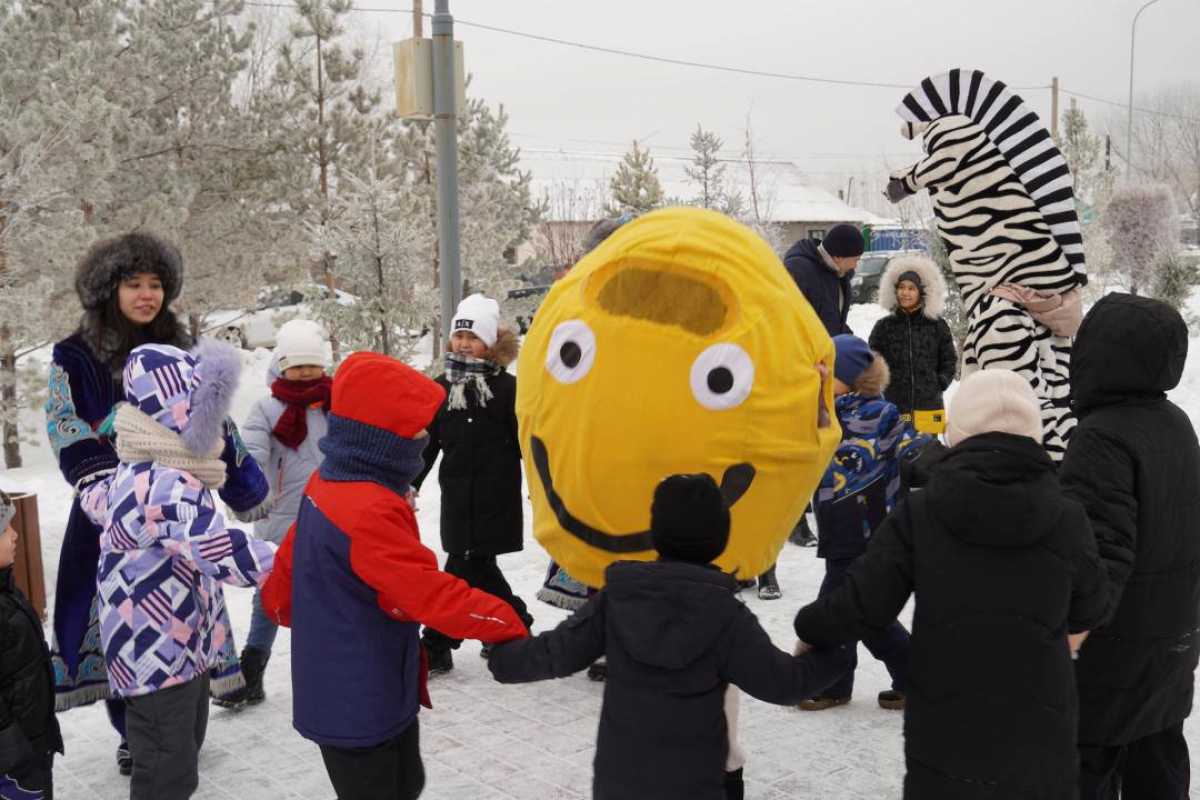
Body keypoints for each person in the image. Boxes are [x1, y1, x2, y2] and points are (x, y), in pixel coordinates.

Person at [794, 369, 1109, 798]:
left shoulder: (921, 512)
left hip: (947, 736)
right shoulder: (1067, 514)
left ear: (957, 431)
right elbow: (1092, 605)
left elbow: (863, 602)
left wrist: (810, 630)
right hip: (1040, 731)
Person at [43, 233, 270, 776]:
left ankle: (178, 724)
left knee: (183, 615)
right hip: (110, 512)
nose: (147, 295)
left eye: (156, 284)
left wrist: (241, 482)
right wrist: (103, 490)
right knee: (121, 622)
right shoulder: (75, 353)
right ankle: (136, 732)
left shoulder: (182, 347)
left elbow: (213, 416)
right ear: (108, 289)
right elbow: (64, 423)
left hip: (183, 506)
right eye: (133, 283)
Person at [260, 352, 529, 800]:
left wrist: (282, 605)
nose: (427, 437)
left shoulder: (330, 482)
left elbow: (287, 570)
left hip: (351, 684)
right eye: (416, 430)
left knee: (407, 783)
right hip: (359, 700)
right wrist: (504, 621)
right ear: (381, 440)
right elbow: (425, 592)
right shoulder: (368, 508)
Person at [488, 473, 849, 800]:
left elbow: (557, 653)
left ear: (656, 532)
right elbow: (782, 683)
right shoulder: (724, 614)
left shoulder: (619, 597)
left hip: (621, 785)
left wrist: (504, 656)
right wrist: (835, 656)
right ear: (720, 537)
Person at [79, 340, 277, 800]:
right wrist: (286, 562)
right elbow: (215, 546)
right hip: (155, 656)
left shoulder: (157, 466)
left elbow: (105, 500)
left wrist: (94, 494)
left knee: (179, 754)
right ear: (177, 407)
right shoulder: (164, 481)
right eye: (203, 403)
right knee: (168, 774)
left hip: (175, 649)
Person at [1058, 294, 1200, 800]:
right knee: (1157, 755)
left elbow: (1099, 550)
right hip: (1173, 635)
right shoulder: (1175, 423)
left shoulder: (1101, 436)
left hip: (1114, 649)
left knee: (1087, 763)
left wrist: (1071, 629)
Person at [799, 335, 922, 712]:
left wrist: (939, 458)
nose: (818, 377)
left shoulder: (879, 413)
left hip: (868, 526)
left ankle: (835, 682)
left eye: (827, 372)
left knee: (837, 606)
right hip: (835, 522)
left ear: (849, 376)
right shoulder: (821, 412)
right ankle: (913, 675)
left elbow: (911, 445)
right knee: (866, 613)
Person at [413, 294, 533, 675]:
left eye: (473, 337)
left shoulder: (509, 390)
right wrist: (410, 482)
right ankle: (513, 629)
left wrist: (542, 485)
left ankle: (436, 644)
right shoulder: (440, 390)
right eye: (459, 336)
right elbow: (426, 444)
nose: (464, 343)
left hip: (495, 497)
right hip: (457, 498)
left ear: (490, 344)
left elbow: (526, 442)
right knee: (477, 569)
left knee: (464, 568)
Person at [237, 319, 332, 705]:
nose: (306, 372)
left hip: (331, 515)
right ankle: (251, 671)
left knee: (328, 595)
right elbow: (252, 453)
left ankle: (329, 670)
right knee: (270, 595)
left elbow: (362, 447)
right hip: (280, 519)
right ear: (281, 365)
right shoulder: (266, 408)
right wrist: (251, 488)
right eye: (297, 365)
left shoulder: (337, 403)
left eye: (313, 365)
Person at [779, 223, 864, 551]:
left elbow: (833, 319)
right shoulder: (799, 270)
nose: (857, 265)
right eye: (854, 258)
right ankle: (794, 520)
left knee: (820, 440)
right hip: (802, 370)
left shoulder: (839, 275)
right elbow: (789, 323)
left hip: (826, 366)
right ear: (838, 255)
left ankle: (809, 503)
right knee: (803, 445)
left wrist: (851, 342)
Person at [0, 489, 63, 800]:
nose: (14, 535)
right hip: (12, 761)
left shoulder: (7, 590)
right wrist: (13, 756)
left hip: (32, 743)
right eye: (3, 530)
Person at [868, 255, 956, 434]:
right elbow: (872, 361)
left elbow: (949, 359)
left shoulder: (937, 325)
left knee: (929, 452)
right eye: (901, 287)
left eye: (911, 288)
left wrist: (940, 382)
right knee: (896, 449)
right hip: (895, 404)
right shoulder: (884, 326)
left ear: (921, 292)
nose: (905, 293)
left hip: (929, 404)